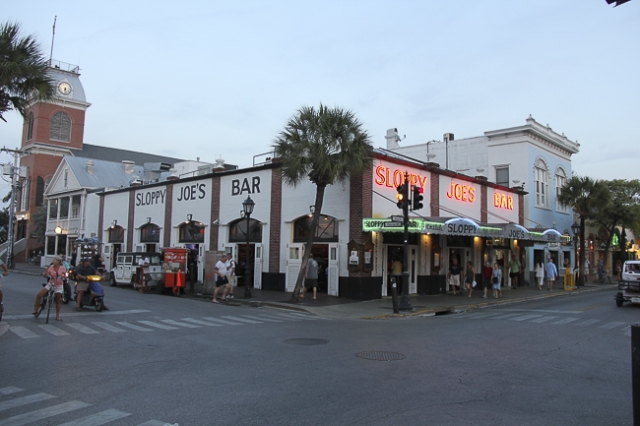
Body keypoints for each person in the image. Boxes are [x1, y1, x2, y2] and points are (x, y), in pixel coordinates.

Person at [32, 256, 66, 321]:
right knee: (39, 295)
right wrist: (44, 274)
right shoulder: (50, 268)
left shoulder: (62, 268)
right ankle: (35, 310)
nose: (53, 261)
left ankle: (57, 316)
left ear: (58, 262)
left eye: (54, 260)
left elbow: (64, 275)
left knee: (58, 300)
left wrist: (64, 277)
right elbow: (46, 273)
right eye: (53, 260)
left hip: (58, 285)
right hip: (50, 284)